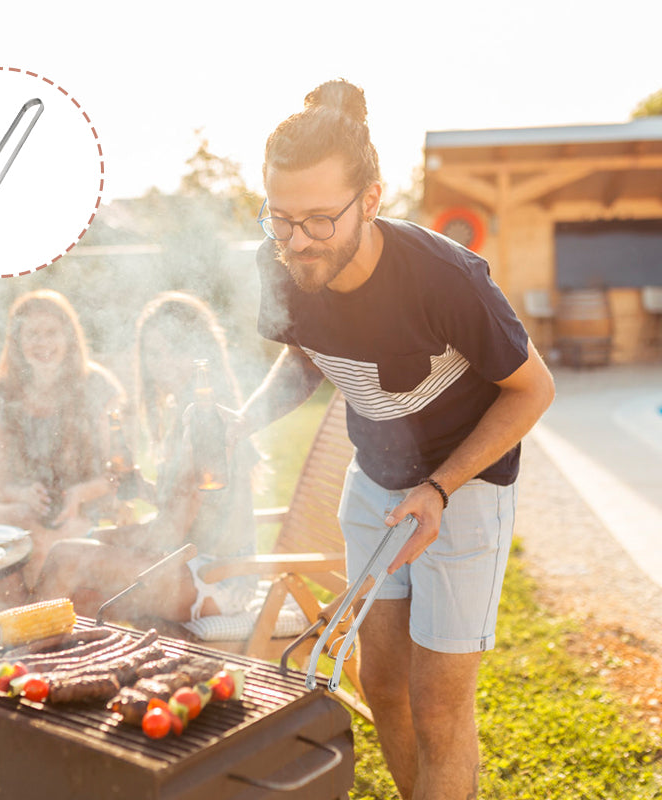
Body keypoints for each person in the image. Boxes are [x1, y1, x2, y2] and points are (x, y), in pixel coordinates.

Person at [231, 79, 555, 800]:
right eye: (279, 220)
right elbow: (304, 357)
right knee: (381, 683)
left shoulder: (445, 279)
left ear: (370, 200)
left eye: (319, 221)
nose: (297, 243)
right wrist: (240, 421)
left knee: (439, 706)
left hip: (464, 491)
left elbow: (534, 389)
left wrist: (439, 488)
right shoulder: (280, 266)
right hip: (375, 481)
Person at [34, 291, 258, 624]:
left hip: (216, 577)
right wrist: (144, 491)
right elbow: (194, 507)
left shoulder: (206, 419)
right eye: (154, 353)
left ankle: (13, 662)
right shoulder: (184, 409)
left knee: (65, 557)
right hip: (194, 562)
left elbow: (169, 532)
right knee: (81, 594)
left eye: (176, 350)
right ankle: (56, 669)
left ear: (200, 351)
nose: (163, 364)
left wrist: (109, 541)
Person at [0, 289, 125, 606]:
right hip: (18, 508)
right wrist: (25, 494)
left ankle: (28, 635)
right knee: (7, 529)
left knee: (44, 543)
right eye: (32, 334)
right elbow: (2, 486)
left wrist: (79, 494)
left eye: (51, 333)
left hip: (82, 507)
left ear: (69, 337)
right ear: (17, 342)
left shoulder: (97, 387)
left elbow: (117, 474)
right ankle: (27, 633)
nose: (43, 344)